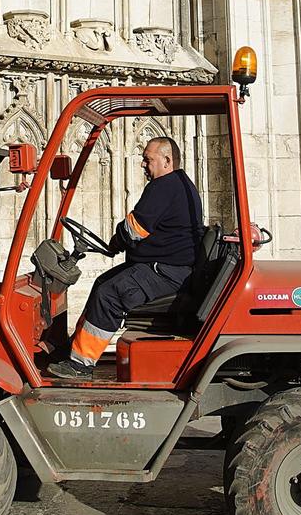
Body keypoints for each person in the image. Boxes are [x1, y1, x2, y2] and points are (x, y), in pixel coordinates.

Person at [47, 137, 203, 381]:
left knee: (110, 294)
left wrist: (115, 243)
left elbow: (135, 228)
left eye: (147, 159)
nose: (142, 164)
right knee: (102, 282)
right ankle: (73, 350)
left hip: (168, 272)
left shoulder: (165, 185)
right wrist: (118, 243)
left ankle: (81, 366)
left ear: (167, 160)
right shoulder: (176, 184)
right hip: (164, 266)